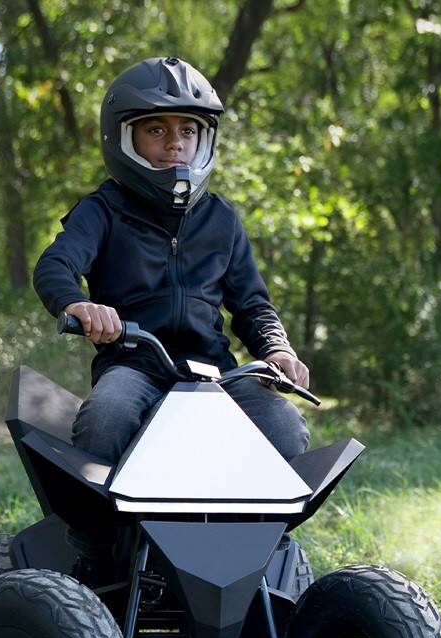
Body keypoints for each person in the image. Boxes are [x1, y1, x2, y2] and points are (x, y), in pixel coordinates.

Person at [33, 56, 311, 476]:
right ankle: (97, 539)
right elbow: (55, 264)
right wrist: (76, 304)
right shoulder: (102, 210)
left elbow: (253, 304)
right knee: (103, 420)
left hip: (216, 372)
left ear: (205, 139)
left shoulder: (222, 219)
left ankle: (251, 539)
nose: (175, 142)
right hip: (133, 364)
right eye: (156, 129)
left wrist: (277, 348)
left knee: (286, 429)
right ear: (123, 137)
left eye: (188, 130)